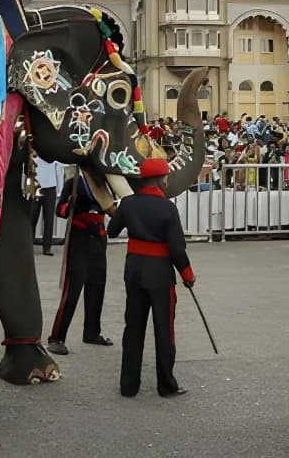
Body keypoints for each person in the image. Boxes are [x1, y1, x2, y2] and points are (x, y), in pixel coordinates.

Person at [107, 158, 194, 397]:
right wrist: (187, 274)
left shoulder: (127, 204)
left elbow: (112, 231)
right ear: (162, 179)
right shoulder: (168, 208)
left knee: (133, 327)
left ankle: (128, 385)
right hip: (159, 272)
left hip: (134, 268)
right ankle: (166, 385)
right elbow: (176, 248)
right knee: (163, 329)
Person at [47, 169, 114, 356]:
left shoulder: (106, 184)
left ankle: (92, 332)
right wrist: (71, 206)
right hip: (80, 240)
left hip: (99, 240)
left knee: (97, 287)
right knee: (72, 290)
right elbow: (60, 211)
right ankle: (56, 337)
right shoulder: (74, 183)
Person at [28, 156, 60, 256]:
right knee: (32, 218)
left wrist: (59, 190)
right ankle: (29, 245)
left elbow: (59, 172)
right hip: (36, 187)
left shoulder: (53, 157)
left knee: (49, 219)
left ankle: (47, 247)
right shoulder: (34, 156)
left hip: (50, 188)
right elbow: (29, 173)